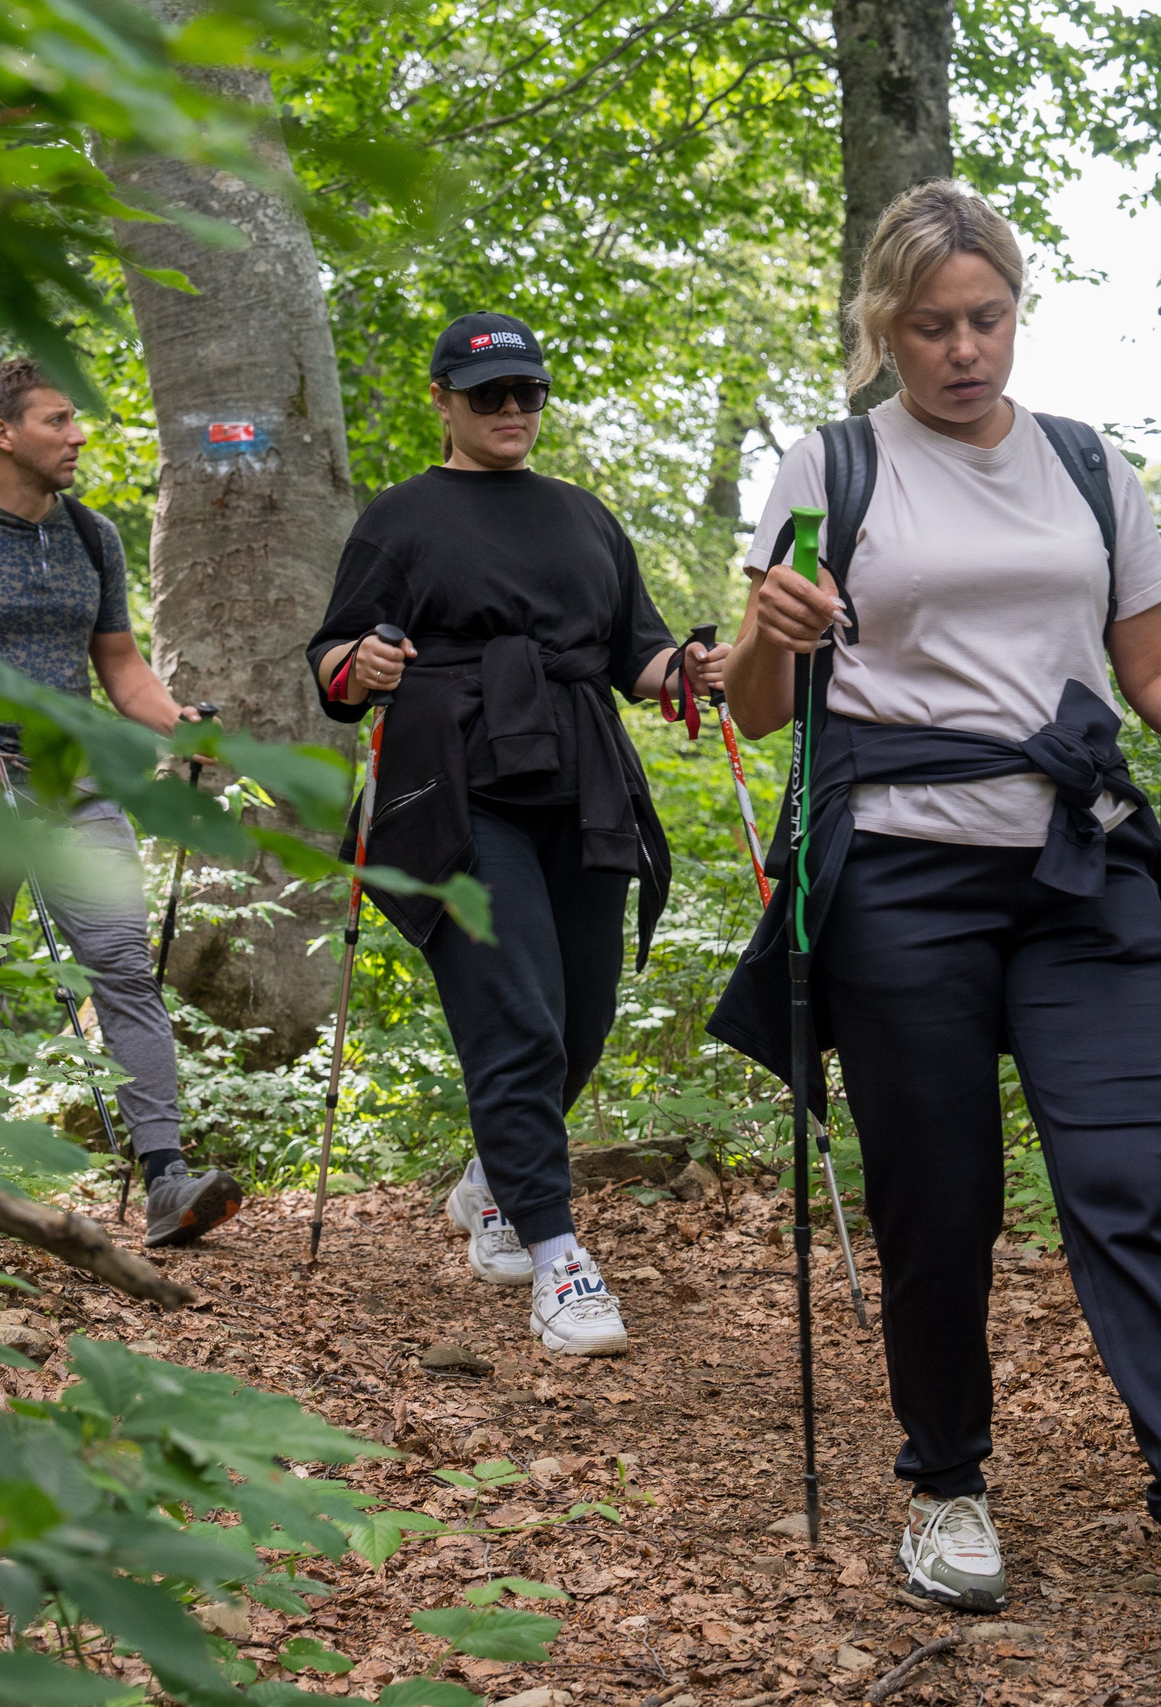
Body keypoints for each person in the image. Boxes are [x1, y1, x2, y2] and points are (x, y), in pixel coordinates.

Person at [707, 181, 1161, 1663]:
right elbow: (753, 704)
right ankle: (943, 1481)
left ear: (1015, 312)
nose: (963, 350)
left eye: (986, 318)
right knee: (940, 1204)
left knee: (1125, 1183)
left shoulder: (1083, 462)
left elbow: (1158, 674)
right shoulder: (834, 461)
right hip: (896, 874)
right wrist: (768, 629)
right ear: (886, 326)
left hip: (1083, 863)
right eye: (931, 325)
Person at [306, 312, 721, 1359]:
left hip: (582, 783)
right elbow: (333, 669)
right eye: (486, 394)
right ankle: (557, 1260)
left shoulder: (584, 517)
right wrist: (367, 665)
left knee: (580, 1023)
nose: (509, 412)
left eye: (526, 393)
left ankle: (495, 1178)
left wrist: (694, 671)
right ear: (442, 399)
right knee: (517, 1015)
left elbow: (642, 658)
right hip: (455, 791)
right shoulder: (400, 519)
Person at [0, 356, 241, 1250]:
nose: (78, 435)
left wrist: (175, 718)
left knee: (119, 958)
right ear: (3, 433)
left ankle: (166, 1179)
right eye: (58, 420)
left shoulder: (90, 534)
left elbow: (119, 665)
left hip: (70, 780)